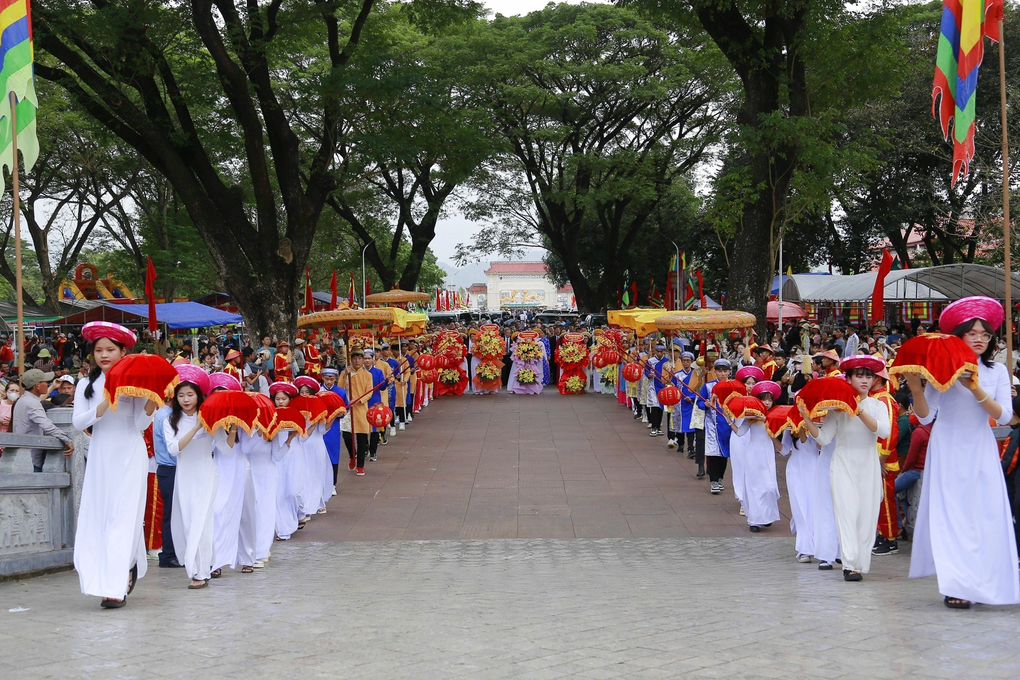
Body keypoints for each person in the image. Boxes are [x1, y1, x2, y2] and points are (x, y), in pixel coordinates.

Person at [903, 296, 1020, 609]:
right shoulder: (942, 371)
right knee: (951, 515)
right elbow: (926, 417)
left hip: (980, 448)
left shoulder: (996, 372)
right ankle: (956, 584)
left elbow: (1006, 417)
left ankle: (983, 580)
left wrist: (975, 388)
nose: (979, 339)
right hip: (947, 447)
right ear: (960, 336)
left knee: (983, 515)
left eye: (985, 334)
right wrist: (916, 387)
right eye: (972, 333)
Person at [72, 322, 159, 608]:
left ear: (123, 351)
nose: (104, 355)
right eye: (99, 350)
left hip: (129, 453)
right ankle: (113, 569)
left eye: (111, 349)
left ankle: (116, 584)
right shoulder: (86, 384)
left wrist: (149, 403)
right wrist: (105, 403)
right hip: (100, 454)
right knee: (101, 515)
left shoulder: (134, 383)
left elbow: (139, 424)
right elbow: (78, 423)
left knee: (123, 515)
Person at [800, 354, 890, 582]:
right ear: (848, 379)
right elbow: (824, 439)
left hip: (867, 465)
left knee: (866, 517)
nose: (864, 381)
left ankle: (860, 561)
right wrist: (806, 418)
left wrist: (858, 410)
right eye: (858, 376)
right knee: (846, 513)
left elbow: (883, 431)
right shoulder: (837, 410)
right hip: (842, 464)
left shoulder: (878, 405)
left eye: (868, 376)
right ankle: (849, 564)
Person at [165, 366, 223, 589]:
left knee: (204, 522)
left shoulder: (211, 420)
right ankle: (206, 564)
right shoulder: (170, 421)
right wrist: (198, 426)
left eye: (190, 394)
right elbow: (174, 449)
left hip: (207, 472)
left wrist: (232, 432)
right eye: (181, 395)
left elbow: (224, 449)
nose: (186, 399)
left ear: (199, 396)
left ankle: (200, 573)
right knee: (189, 523)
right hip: (185, 475)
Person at [736, 381, 781, 533]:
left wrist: (766, 420)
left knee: (769, 487)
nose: (767, 402)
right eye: (764, 399)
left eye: (770, 399)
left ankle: (767, 516)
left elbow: (777, 436)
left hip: (767, 453)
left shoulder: (776, 415)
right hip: (753, 453)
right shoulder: (751, 416)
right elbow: (740, 432)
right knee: (754, 486)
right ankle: (754, 520)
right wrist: (729, 419)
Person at [13, 368, 74, 472]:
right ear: (38, 385)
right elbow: (47, 426)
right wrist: (67, 439)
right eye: (45, 382)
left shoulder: (24, 400)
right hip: (30, 460)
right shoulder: (32, 403)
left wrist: (53, 387)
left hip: (24, 457)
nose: (47, 384)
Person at [151, 398, 182, 568]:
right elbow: (173, 448)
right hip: (170, 468)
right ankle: (169, 554)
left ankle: (172, 552)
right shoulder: (166, 417)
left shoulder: (166, 413)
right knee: (172, 513)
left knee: (174, 512)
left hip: (168, 468)